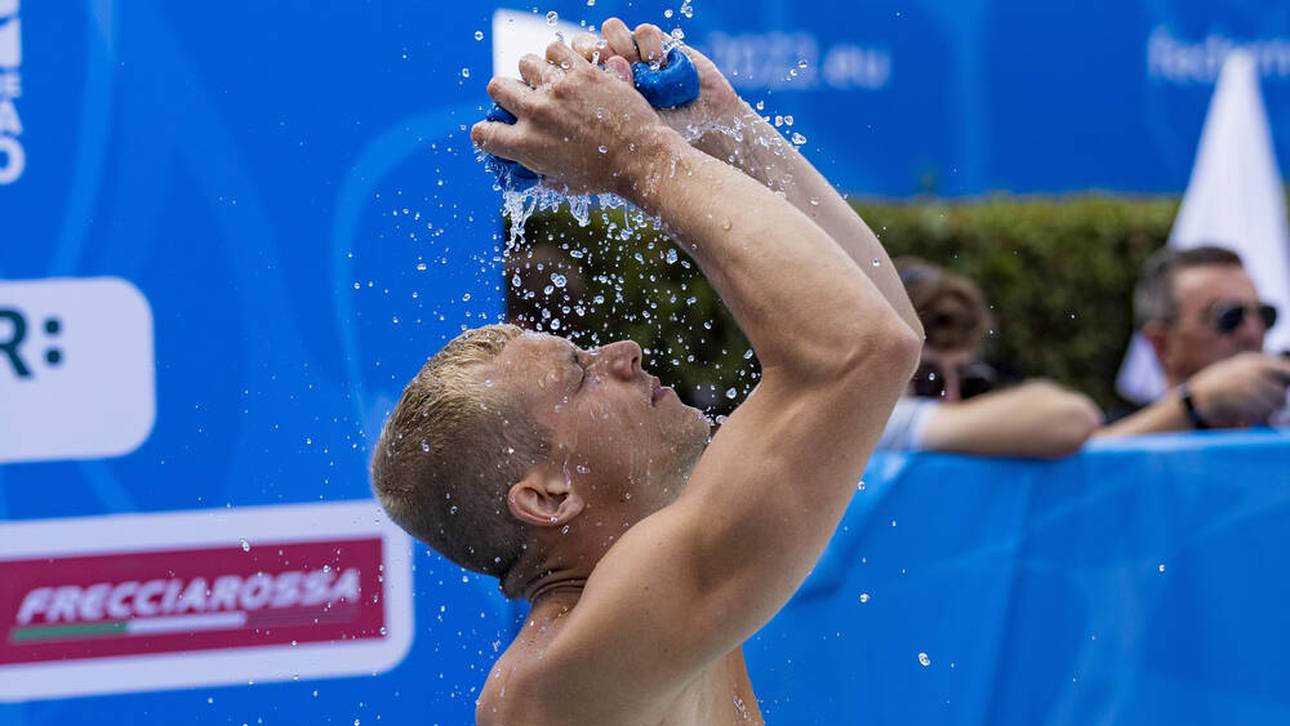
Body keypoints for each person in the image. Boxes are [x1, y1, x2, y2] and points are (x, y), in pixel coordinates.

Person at [370, 18, 923, 725]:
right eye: (580, 374)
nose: (623, 352)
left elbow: (884, 325)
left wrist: (724, 128)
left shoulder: (662, 584)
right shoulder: (561, 674)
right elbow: (861, 350)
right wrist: (638, 156)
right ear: (547, 496)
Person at [878, 259, 1102, 458]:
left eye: (969, 384)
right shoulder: (878, 423)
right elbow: (1073, 418)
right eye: (929, 380)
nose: (951, 397)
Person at [1099, 245, 1290, 436]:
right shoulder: (1118, 435)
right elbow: (1099, 448)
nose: (1253, 332)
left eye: (1264, 314)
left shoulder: (1280, 425)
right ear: (1162, 344)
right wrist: (1193, 405)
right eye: (1229, 316)